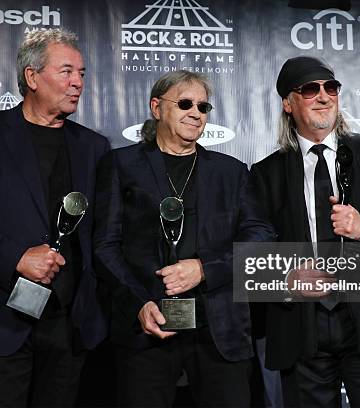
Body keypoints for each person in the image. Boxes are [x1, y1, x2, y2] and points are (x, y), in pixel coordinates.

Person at [0, 28, 109, 407]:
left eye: (81, 73)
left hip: (70, 326)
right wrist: (17, 257)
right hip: (1, 315)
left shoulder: (94, 147)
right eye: (66, 72)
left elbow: (103, 234)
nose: (77, 82)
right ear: (32, 76)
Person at [250, 56, 360, 408]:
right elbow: (252, 255)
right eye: (310, 89)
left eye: (330, 87)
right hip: (302, 332)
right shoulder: (265, 173)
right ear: (288, 103)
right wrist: (287, 277)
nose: (324, 96)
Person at [94, 70, 274, 407]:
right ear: (157, 107)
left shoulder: (231, 171)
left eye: (204, 107)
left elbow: (261, 236)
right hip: (147, 328)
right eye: (186, 103)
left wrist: (206, 269)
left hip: (219, 330)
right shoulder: (120, 165)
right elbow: (105, 245)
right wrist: (138, 304)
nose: (196, 113)